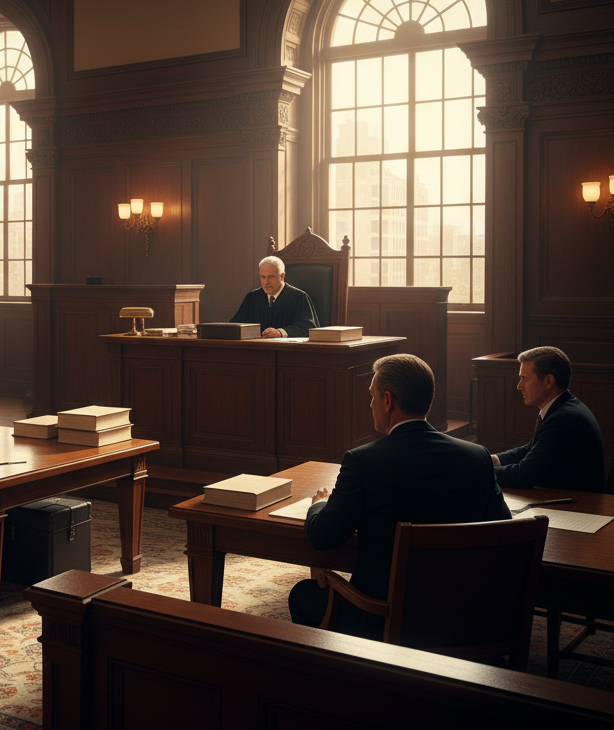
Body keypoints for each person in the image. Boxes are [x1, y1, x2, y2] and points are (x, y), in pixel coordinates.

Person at [288, 353, 511, 640]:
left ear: (388, 400)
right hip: (460, 618)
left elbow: (322, 537)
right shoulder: (476, 457)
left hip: (382, 618)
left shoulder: (363, 462)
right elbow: (501, 530)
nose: (370, 404)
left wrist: (320, 503)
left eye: (372, 396)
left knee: (302, 595)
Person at [490, 346, 605, 493]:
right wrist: (493, 460)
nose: (519, 387)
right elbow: (532, 448)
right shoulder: (562, 408)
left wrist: (480, 472)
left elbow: (524, 475)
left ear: (548, 382)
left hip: (579, 508)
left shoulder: (564, 419)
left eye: (524, 379)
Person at [230, 255, 318, 338]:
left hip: (287, 350)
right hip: (256, 348)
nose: (266, 282)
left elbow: (308, 328)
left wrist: (281, 332)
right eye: (263, 277)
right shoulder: (253, 297)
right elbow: (235, 325)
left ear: (282, 276)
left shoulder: (299, 297)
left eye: (271, 277)